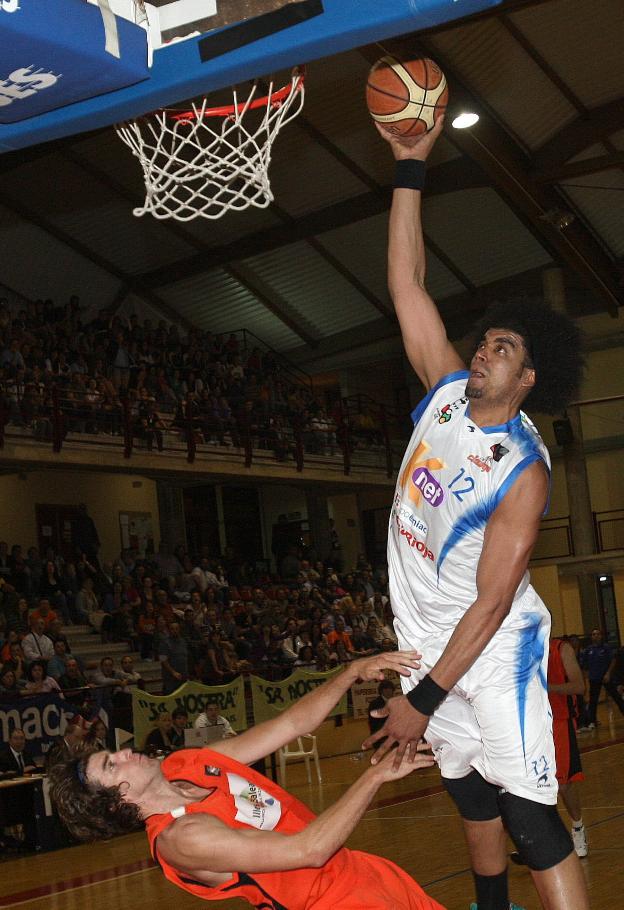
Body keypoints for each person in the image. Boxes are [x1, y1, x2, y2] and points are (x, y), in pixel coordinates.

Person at [363, 118, 588, 910]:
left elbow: (493, 604)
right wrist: (409, 167)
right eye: (487, 339)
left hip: (492, 649)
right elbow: (406, 285)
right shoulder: (446, 399)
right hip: (426, 635)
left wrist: (420, 700)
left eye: (501, 349)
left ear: (528, 379)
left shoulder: (522, 473)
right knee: (470, 798)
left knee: (529, 815)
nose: (483, 350)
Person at [48, 651, 443, 910]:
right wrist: (374, 775)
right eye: (111, 766)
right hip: (331, 902)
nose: (121, 753)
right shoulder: (181, 838)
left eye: (110, 754)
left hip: (360, 871)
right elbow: (310, 850)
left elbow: (290, 723)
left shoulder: (184, 765)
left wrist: (350, 673)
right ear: (119, 801)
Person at [512, 636, 588, 864]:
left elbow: (579, 686)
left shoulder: (561, 649)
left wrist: (546, 686)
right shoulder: (521, 649)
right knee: (533, 785)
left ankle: (578, 828)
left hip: (559, 722)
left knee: (563, 784)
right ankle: (541, 843)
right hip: (531, 724)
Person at [579, 627, 624, 728]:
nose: (596, 636)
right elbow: (583, 664)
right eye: (594, 634)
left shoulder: (606, 648)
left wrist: (608, 673)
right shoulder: (588, 650)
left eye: (598, 634)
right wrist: (586, 675)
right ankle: (592, 721)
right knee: (593, 701)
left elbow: (613, 660)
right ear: (591, 637)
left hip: (606, 678)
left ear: (601, 636)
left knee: (617, 697)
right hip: (594, 679)